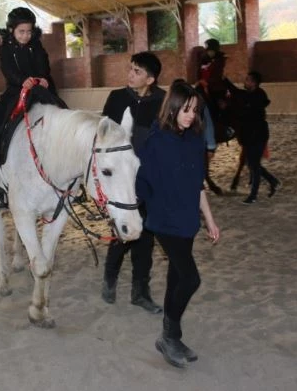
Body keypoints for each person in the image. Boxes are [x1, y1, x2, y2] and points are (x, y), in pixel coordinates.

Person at [136, 81, 221, 368]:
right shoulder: (156, 141)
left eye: (195, 110)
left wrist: (209, 220)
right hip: (164, 220)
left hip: (187, 219)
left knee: (176, 275)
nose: (190, 115)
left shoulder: (194, 139)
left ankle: (172, 337)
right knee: (191, 278)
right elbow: (142, 185)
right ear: (172, 108)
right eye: (185, 109)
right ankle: (168, 336)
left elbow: (197, 185)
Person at [100, 51, 165, 314]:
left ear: (150, 79)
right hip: (123, 181)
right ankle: (110, 280)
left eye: (137, 72)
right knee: (121, 233)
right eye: (130, 69)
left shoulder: (162, 101)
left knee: (146, 238)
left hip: (149, 179)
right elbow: (103, 136)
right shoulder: (116, 98)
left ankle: (140, 292)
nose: (130, 75)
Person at [0, 7, 59, 161]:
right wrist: (22, 80)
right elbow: (8, 69)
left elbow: (43, 64)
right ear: (11, 30)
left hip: (40, 86)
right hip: (17, 87)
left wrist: (43, 77)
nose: (26, 35)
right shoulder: (5, 48)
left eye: (29, 31)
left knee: (59, 106)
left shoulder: (37, 46)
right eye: (21, 31)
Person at [224, 71, 280, 204]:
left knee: (253, 165)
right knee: (252, 164)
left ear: (254, 83)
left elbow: (248, 112)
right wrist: (225, 80)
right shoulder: (248, 94)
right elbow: (236, 91)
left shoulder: (258, 96)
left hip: (257, 134)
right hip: (250, 135)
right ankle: (273, 180)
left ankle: (253, 195)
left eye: (248, 80)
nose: (245, 82)